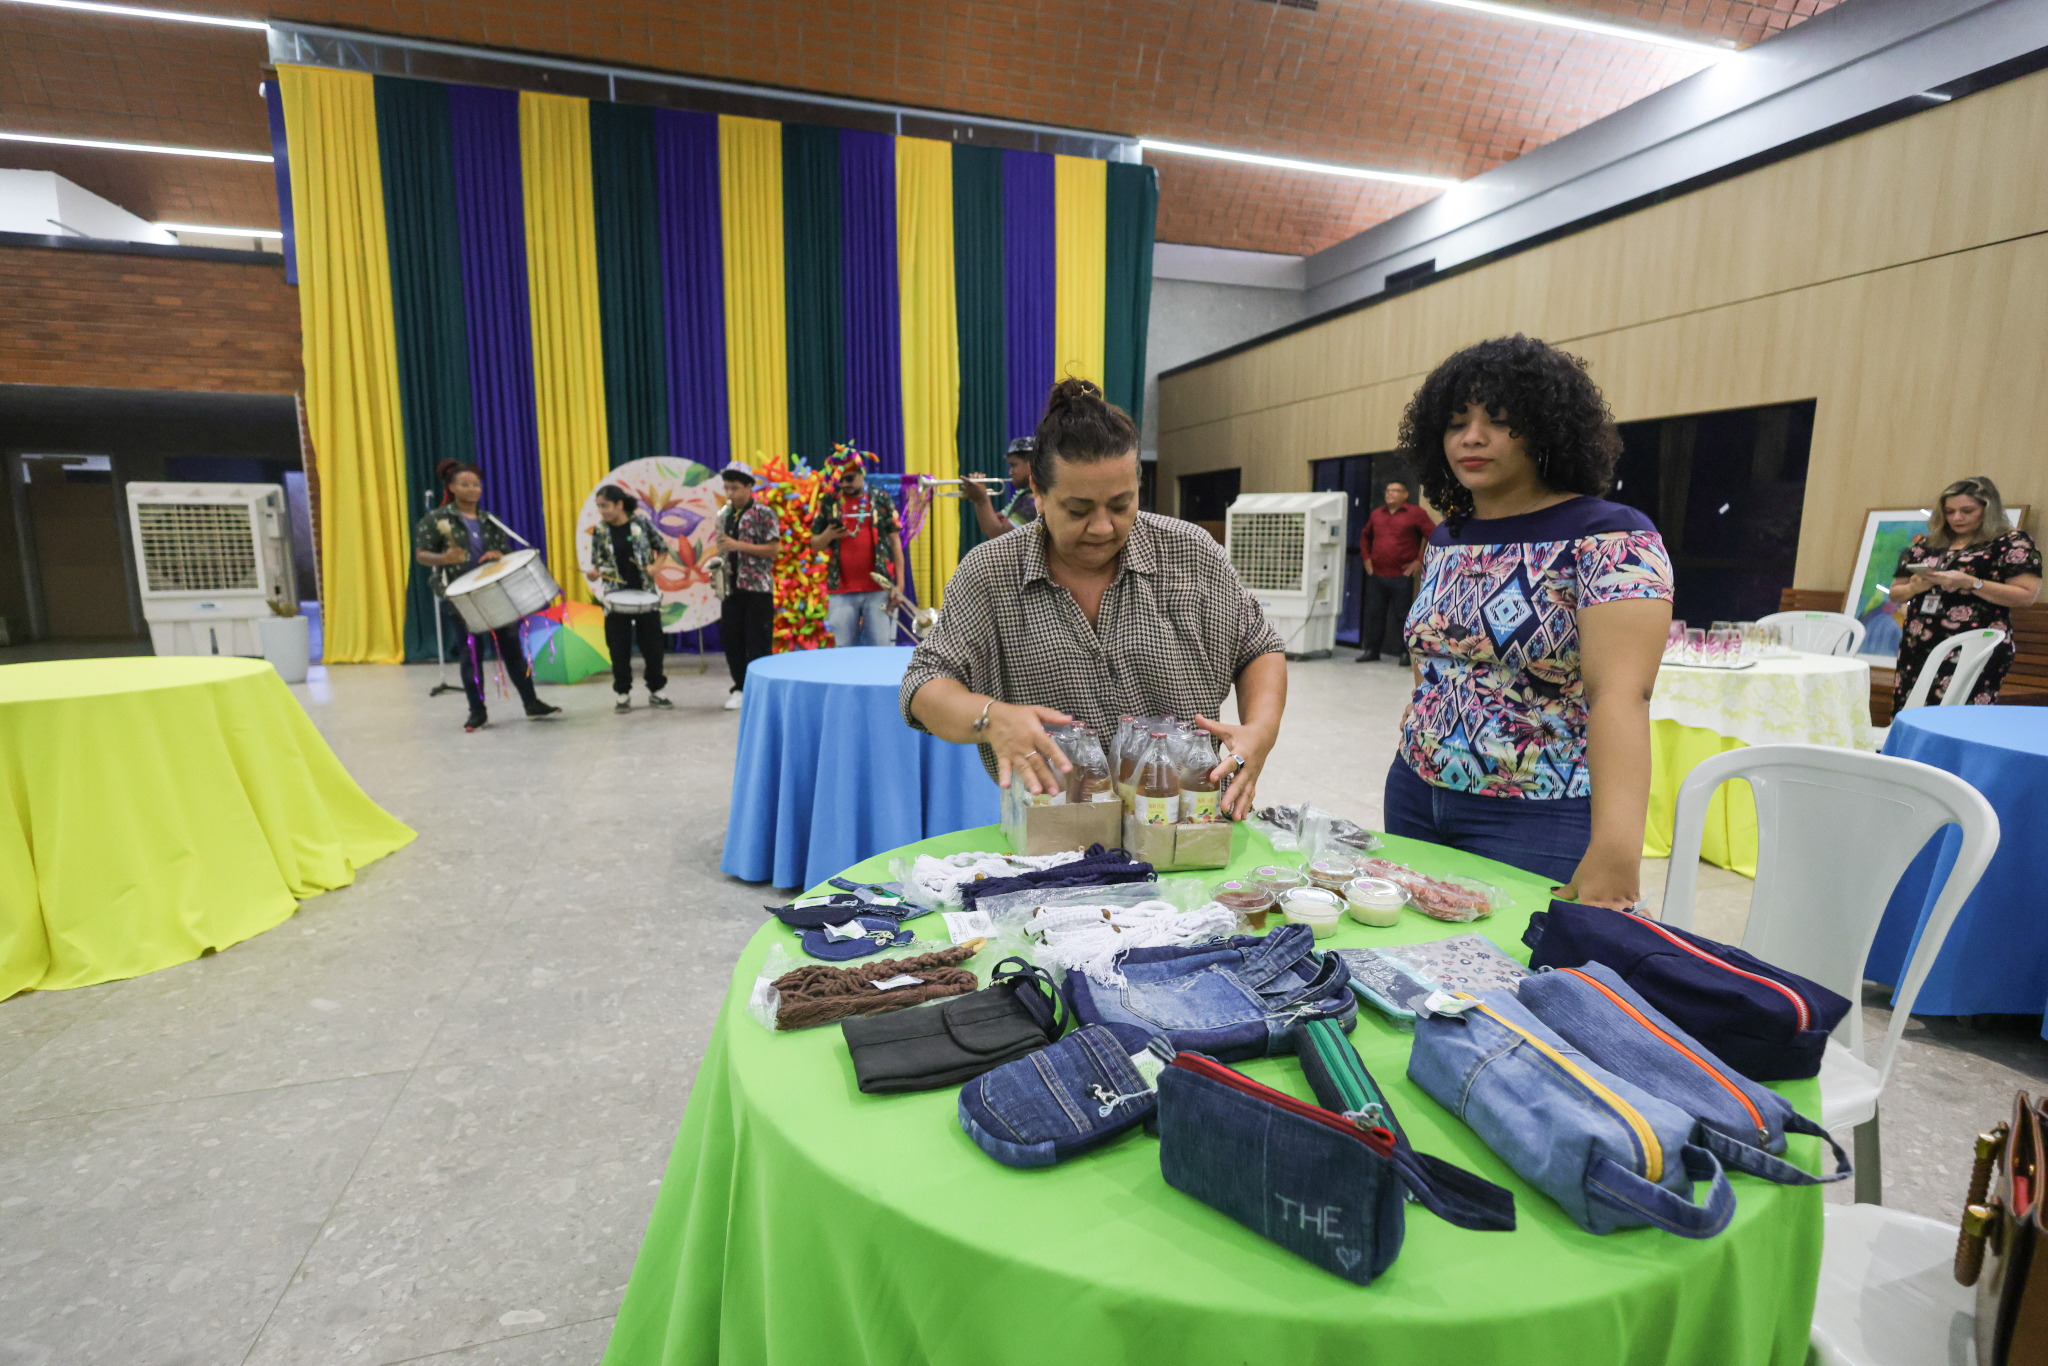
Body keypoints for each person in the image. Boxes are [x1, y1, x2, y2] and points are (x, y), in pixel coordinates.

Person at [902, 378, 1287, 819]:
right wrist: (991, 717)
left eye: (1121, 505)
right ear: (1038, 494)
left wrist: (1260, 730)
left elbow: (1258, 648)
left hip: (1188, 819)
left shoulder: (1190, 553)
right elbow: (924, 687)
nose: (1103, 527)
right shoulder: (991, 573)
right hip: (1055, 830)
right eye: (1079, 510)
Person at [1387, 335, 1673, 906]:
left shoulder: (1610, 536)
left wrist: (1616, 854)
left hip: (1537, 812)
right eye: (1456, 422)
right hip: (1416, 792)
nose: (1472, 437)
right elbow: (1436, 657)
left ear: (1546, 428)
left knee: (1514, 961)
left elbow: (1621, 696)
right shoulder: (1448, 537)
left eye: (1499, 420)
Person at [412, 459, 563, 733]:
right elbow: (421, 554)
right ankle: (477, 711)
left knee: (513, 650)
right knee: (471, 654)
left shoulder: (489, 519)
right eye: (465, 484)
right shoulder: (436, 520)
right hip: (460, 599)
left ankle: (531, 702)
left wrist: (498, 555)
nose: (472, 489)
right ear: (451, 487)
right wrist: (443, 558)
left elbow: (504, 552)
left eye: (476, 484)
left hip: (494, 594)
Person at [1888, 476, 2041, 709]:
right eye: (1949, 512)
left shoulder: (2011, 542)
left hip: (1974, 645)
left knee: (1959, 715)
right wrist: (1914, 588)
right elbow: (1895, 594)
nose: (1956, 518)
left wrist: (1971, 583)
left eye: (1967, 511)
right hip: (1919, 645)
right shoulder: (1927, 544)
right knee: (1910, 712)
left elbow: (2026, 595)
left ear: (1988, 509)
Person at [583, 483, 674, 713]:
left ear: (619, 505)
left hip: (645, 594)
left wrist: (655, 567)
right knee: (618, 648)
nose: (601, 511)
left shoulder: (641, 523)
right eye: (599, 506)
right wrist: (594, 574)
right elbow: (598, 565)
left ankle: (656, 690)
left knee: (653, 647)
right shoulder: (600, 530)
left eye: (605, 506)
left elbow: (662, 548)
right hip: (615, 597)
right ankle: (622, 693)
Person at [810, 450, 904, 647]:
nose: (845, 484)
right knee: (843, 652)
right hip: (841, 591)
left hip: (878, 589)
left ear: (862, 473)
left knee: (880, 650)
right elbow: (815, 544)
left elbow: (895, 542)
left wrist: (900, 584)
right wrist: (829, 534)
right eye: (841, 480)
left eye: (850, 478)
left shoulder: (880, 498)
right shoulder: (829, 501)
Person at [715, 461, 780, 711]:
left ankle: (762, 692)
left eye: (735, 488)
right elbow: (724, 548)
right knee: (732, 641)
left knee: (758, 642)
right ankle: (740, 688)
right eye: (727, 488)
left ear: (749, 486)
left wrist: (738, 546)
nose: (730, 493)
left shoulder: (764, 513)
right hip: (731, 588)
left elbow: (774, 549)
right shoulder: (725, 515)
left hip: (757, 589)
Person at [1355, 477, 1435, 665]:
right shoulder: (1377, 514)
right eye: (1388, 490)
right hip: (1377, 574)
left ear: (1406, 494)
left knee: (1403, 615)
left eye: (1395, 490)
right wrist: (1366, 558)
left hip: (1402, 575)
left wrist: (1419, 561)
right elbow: (1365, 537)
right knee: (1374, 614)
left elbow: (1433, 535)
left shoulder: (1416, 513)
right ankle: (1372, 650)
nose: (1390, 493)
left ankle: (1405, 653)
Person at [960, 436, 1039, 538]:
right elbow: (990, 525)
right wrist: (978, 497)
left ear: (1031, 464)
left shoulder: (1033, 501)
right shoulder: (1025, 495)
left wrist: (981, 500)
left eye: (1013, 465)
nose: (1010, 472)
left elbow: (999, 535)